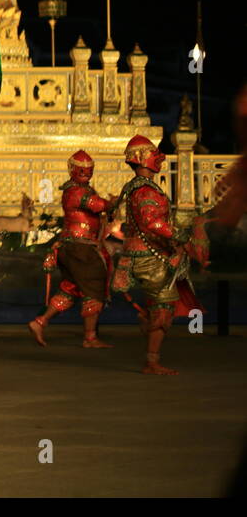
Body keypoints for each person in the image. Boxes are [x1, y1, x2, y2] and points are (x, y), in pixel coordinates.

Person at [113, 134, 203, 375]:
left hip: (143, 252)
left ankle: (147, 324)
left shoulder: (136, 187)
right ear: (142, 159)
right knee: (164, 305)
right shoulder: (145, 190)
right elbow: (153, 222)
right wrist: (179, 235)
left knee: (163, 303)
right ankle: (152, 361)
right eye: (153, 154)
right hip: (149, 256)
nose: (158, 158)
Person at [29, 150, 116, 348]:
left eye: (88, 170)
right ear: (72, 169)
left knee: (70, 288)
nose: (86, 173)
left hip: (73, 247)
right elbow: (97, 205)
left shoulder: (77, 189)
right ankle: (90, 337)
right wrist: (114, 202)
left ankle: (40, 322)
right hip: (80, 248)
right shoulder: (77, 192)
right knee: (94, 288)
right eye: (82, 169)